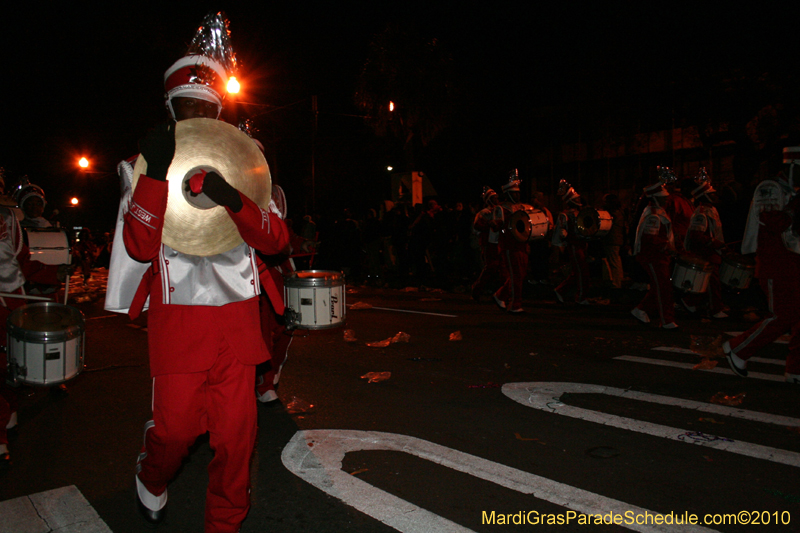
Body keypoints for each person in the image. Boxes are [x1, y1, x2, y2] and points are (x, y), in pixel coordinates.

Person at [107, 13, 290, 531]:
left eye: (208, 110)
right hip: (180, 325)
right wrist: (157, 176)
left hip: (237, 325)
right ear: (170, 110)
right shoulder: (139, 165)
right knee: (174, 433)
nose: (199, 119)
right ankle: (153, 470)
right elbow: (140, 247)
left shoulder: (249, 165)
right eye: (187, 110)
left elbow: (277, 241)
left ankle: (224, 525)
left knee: (237, 442)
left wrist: (233, 197)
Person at [0, 188, 67, 468]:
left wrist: (55, 272)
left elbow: (23, 262)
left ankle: (10, 413)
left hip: (13, 301)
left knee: (10, 363)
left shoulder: (8, 220)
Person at [725, 147, 800, 384]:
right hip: (775, 263)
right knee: (783, 315)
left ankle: (795, 370)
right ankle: (738, 348)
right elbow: (774, 221)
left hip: (793, 262)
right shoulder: (770, 188)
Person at [631, 168, 678, 329]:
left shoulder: (657, 212)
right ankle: (667, 320)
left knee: (662, 286)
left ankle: (641, 309)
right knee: (663, 287)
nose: (666, 201)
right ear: (656, 199)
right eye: (663, 198)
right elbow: (650, 239)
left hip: (659, 256)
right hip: (653, 256)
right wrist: (667, 246)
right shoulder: (653, 214)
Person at [682, 168, 728, 318]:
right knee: (712, 281)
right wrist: (714, 244)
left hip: (711, 251)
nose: (715, 195)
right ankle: (714, 309)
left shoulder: (711, 209)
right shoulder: (702, 213)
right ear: (705, 196)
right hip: (705, 252)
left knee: (707, 281)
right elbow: (697, 236)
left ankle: (692, 303)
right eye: (711, 194)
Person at [493, 170, 529, 313]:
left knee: (521, 275)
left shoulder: (524, 207)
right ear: (508, 193)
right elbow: (498, 227)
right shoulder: (501, 208)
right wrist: (497, 226)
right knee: (516, 275)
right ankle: (515, 304)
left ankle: (500, 295)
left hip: (522, 245)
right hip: (509, 246)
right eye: (514, 193)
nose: (517, 195)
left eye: (518, 193)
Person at [552, 180, 590, 304]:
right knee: (581, 271)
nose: (579, 201)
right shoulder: (565, 215)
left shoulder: (581, 212)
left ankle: (560, 290)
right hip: (574, 245)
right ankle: (580, 297)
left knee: (579, 271)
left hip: (582, 244)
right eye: (576, 199)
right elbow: (561, 231)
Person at [471, 187, 502, 302]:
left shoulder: (500, 211)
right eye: (494, 198)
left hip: (499, 242)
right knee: (490, 267)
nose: (497, 200)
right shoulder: (485, 213)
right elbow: (476, 226)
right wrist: (490, 224)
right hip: (489, 243)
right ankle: (477, 289)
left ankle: (500, 292)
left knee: (501, 268)